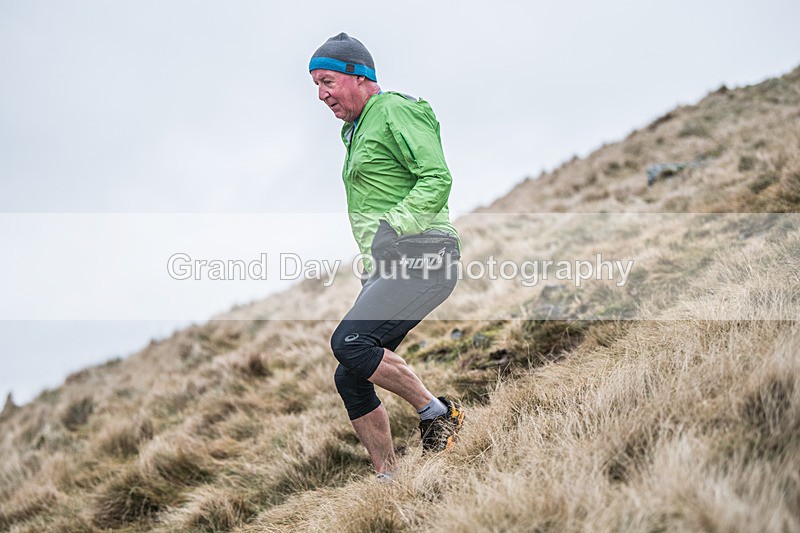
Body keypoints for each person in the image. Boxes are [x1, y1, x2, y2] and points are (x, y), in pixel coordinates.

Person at [309, 32, 465, 479]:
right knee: (350, 375)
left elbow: (436, 177)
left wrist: (395, 224)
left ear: (359, 76)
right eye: (316, 86)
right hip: (392, 263)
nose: (322, 95)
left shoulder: (394, 109)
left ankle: (437, 413)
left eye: (328, 82)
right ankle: (389, 477)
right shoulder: (354, 131)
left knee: (350, 342)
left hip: (426, 252)